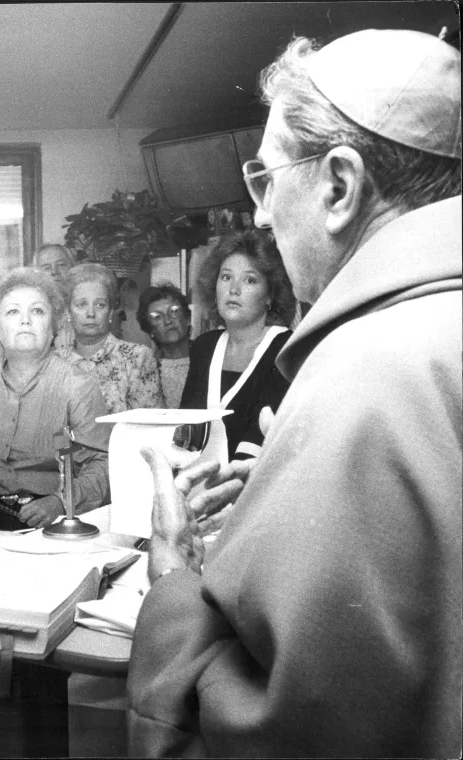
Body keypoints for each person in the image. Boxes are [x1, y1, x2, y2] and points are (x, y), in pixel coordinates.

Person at [128, 29, 462, 757]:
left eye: (265, 179)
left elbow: (284, 732)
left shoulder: (366, 370)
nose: (256, 215)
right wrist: (294, 490)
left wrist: (172, 582)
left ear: (339, 187)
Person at [0, 267, 110, 531]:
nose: (25, 321)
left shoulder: (79, 387)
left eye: (37, 311)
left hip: (53, 523)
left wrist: (60, 502)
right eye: (12, 312)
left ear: (53, 327)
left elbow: (101, 467)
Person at [179, 229, 295, 460]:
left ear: (270, 295)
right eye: (226, 277)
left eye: (250, 280)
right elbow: (184, 427)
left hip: (252, 484)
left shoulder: (286, 347)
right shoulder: (204, 346)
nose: (234, 289)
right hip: (195, 482)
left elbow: (261, 439)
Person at [58, 262, 164, 413]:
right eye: (81, 305)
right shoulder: (55, 362)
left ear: (110, 312)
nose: (91, 313)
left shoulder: (137, 357)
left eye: (100, 305)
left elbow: (150, 425)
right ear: (68, 313)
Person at [136, 283, 192, 408]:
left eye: (174, 312)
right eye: (157, 317)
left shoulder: (209, 358)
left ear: (187, 319)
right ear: (150, 330)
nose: (168, 321)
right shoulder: (145, 367)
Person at [34, 243, 76, 349]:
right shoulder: (32, 310)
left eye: (61, 265)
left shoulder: (87, 304)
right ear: (36, 274)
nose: (54, 272)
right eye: (46, 267)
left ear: (73, 268)